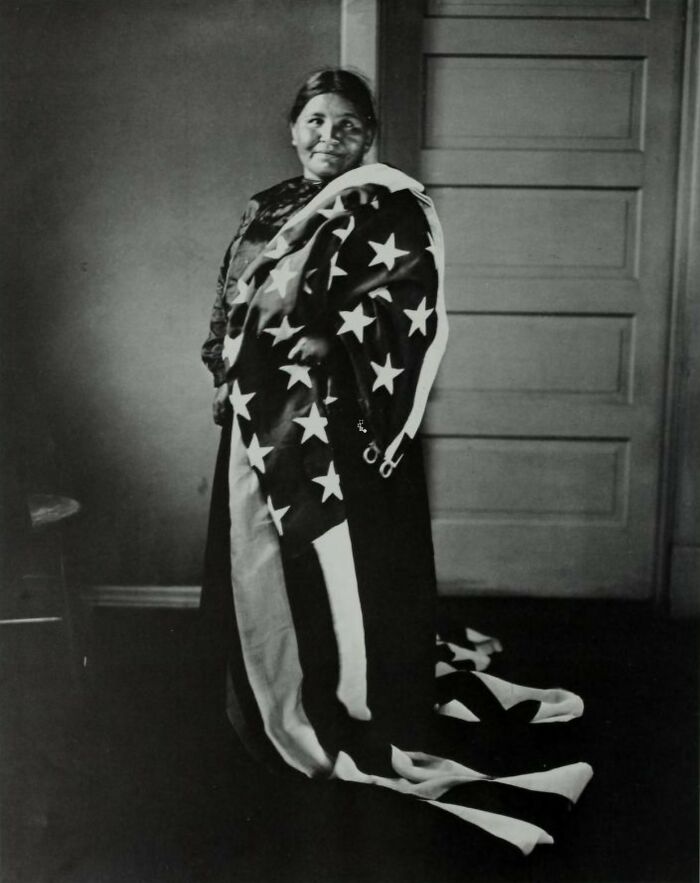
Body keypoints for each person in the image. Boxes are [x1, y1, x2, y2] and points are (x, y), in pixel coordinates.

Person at [200, 68, 591, 856]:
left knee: (352, 563)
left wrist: (334, 336)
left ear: (369, 135)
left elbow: (406, 298)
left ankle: (365, 686)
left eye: (347, 126)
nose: (328, 138)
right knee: (262, 559)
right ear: (292, 127)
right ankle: (264, 673)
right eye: (315, 121)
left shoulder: (389, 202)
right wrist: (222, 366)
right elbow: (231, 296)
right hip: (262, 411)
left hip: (339, 423)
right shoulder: (267, 205)